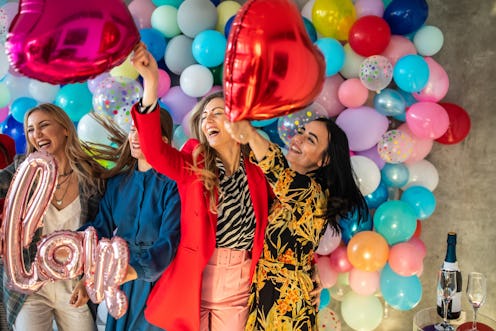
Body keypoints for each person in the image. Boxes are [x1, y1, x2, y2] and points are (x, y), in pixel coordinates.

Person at [129, 42, 272, 331]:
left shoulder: (258, 172)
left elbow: (282, 224)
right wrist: (151, 83)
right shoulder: (194, 161)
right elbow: (154, 151)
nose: (209, 120)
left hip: (239, 287)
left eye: (218, 113)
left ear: (237, 122)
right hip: (195, 282)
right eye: (204, 116)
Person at [224, 116, 368, 330]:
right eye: (301, 131)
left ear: (323, 160)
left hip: (284, 303)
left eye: (310, 139)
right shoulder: (288, 193)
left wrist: (251, 134)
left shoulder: (311, 193)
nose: (298, 139)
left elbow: (276, 168)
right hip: (270, 294)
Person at [0, 103, 108, 331]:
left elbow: (104, 229)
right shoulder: (24, 170)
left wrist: (89, 280)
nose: (36, 135)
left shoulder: (92, 175)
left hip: (74, 285)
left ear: (65, 129)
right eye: (30, 129)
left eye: (44, 125)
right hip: (31, 286)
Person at [72, 109, 181, 331]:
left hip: (159, 282)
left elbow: (168, 243)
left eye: (143, 131)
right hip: (121, 280)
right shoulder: (117, 184)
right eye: (132, 130)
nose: (135, 137)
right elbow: (100, 230)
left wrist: (131, 271)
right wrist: (88, 279)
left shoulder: (173, 185)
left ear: (163, 141)